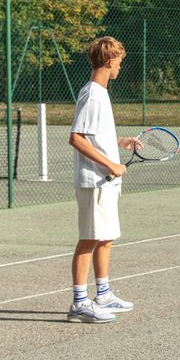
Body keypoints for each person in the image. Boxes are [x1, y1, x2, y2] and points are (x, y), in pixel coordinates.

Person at [67, 36, 142, 323]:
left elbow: (95, 135)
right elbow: (76, 137)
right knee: (90, 238)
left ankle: (103, 294)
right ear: (110, 61)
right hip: (94, 181)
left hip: (106, 181)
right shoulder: (93, 94)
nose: (120, 68)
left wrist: (119, 142)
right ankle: (79, 303)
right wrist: (111, 163)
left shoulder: (101, 93)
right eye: (120, 62)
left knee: (106, 237)